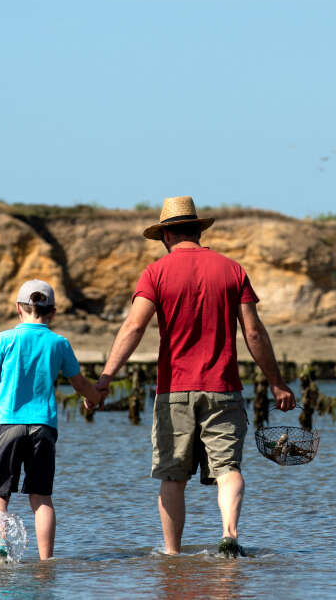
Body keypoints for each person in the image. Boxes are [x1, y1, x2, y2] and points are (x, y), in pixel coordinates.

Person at [96, 195, 296, 558]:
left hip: (173, 392)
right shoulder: (232, 270)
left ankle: (171, 556)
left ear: (166, 235)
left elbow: (133, 327)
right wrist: (278, 383)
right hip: (223, 388)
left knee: (172, 477)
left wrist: (106, 377)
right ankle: (230, 536)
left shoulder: (155, 273)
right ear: (197, 230)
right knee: (228, 468)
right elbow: (254, 332)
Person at [0, 279, 106, 560]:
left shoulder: (5, 339)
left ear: (18, 309)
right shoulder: (59, 343)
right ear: (53, 312)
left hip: (7, 425)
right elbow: (81, 384)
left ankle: (0, 545)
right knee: (41, 497)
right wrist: (94, 399)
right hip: (44, 428)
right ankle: (46, 561)